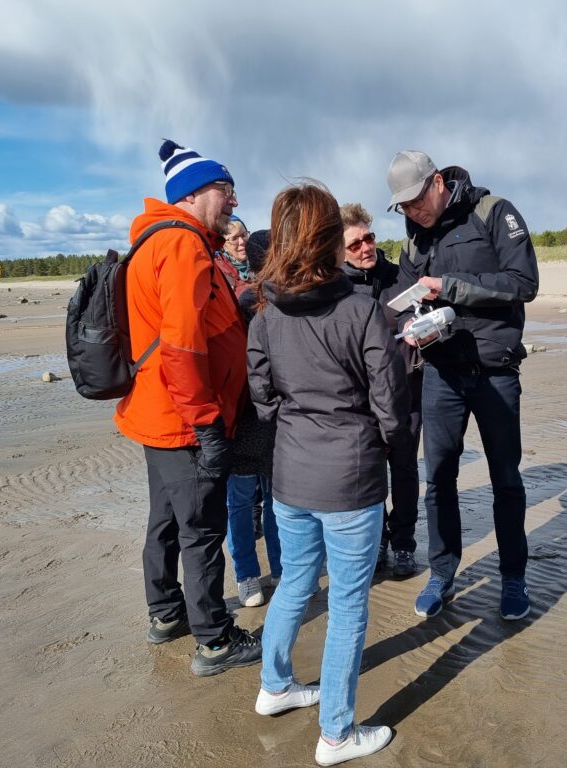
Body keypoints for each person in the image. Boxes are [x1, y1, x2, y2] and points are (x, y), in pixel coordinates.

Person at [248, 182, 410, 764]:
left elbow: (262, 396)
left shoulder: (265, 314)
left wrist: (301, 422)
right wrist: (386, 444)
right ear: (325, 242)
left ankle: (276, 685)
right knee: (345, 604)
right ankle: (336, 733)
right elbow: (392, 407)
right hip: (347, 476)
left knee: (294, 580)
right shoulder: (361, 311)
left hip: (293, 471)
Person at [115, 139, 261, 677]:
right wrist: (206, 422)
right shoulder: (180, 246)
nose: (232, 201)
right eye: (226, 190)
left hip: (157, 411)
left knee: (166, 520)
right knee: (200, 527)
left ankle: (166, 614)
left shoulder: (164, 240)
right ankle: (215, 641)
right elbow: (181, 346)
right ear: (196, 193)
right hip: (182, 417)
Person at [386, 150, 538, 621]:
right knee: (439, 479)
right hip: (441, 374)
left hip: (495, 370)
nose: (413, 212)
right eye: (403, 207)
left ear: (437, 182)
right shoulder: (414, 236)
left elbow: (523, 282)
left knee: (506, 480)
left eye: (416, 200)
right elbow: (407, 295)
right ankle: (442, 573)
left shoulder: (494, 212)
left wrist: (449, 287)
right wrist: (414, 324)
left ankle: (513, 578)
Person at [340, 202, 423, 577]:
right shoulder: (337, 289)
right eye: (354, 244)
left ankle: (404, 542)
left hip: (405, 394)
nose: (365, 248)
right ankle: (375, 545)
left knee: (404, 472)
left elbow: (415, 316)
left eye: (369, 238)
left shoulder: (397, 276)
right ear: (340, 251)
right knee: (368, 477)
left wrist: (420, 330)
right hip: (358, 404)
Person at [213, 219, 282, 607]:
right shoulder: (230, 290)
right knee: (240, 499)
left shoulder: (277, 294)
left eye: (244, 236)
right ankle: (246, 575)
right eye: (232, 236)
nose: (240, 242)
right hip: (241, 408)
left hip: (271, 411)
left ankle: (282, 568)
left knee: (275, 497)